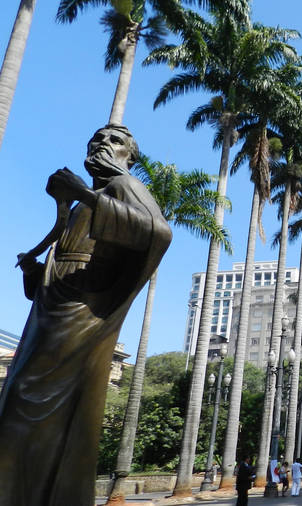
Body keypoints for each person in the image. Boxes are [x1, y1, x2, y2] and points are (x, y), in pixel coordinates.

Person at [0, 124, 172, 506]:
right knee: (16, 401)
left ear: (130, 154)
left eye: (114, 140)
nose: (102, 143)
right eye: (98, 137)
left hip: (83, 313)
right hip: (51, 311)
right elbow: (61, 263)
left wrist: (82, 193)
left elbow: (157, 232)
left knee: (23, 406)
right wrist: (35, 271)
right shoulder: (88, 199)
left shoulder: (123, 185)